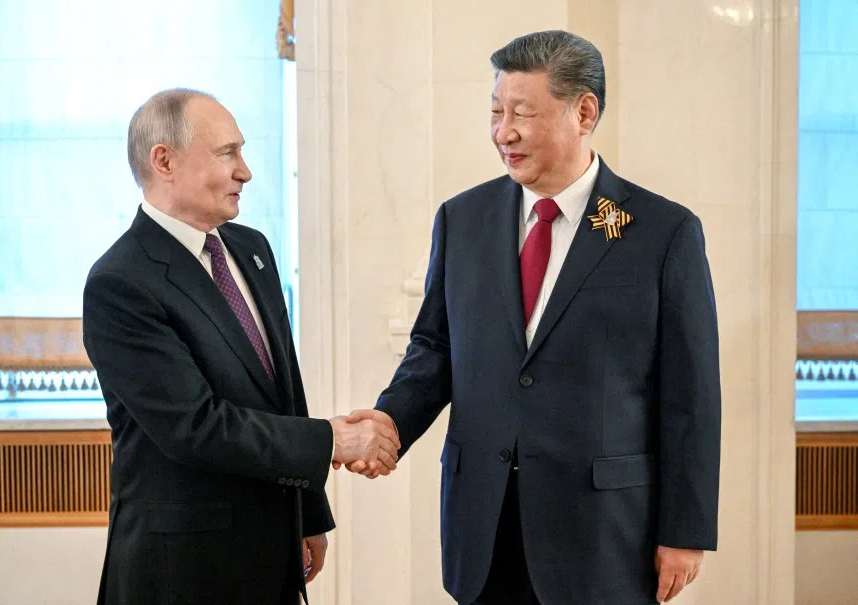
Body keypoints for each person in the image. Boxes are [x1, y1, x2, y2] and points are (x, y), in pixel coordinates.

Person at [346, 30, 721, 605]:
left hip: (604, 529)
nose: (504, 132)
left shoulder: (662, 232)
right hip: (484, 522)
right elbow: (436, 347)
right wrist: (392, 422)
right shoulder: (462, 219)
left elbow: (691, 396)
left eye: (522, 112)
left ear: (584, 112)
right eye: (496, 111)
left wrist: (685, 531)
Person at [83, 88, 400, 605]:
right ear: (164, 160)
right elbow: (195, 426)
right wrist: (334, 442)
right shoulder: (121, 281)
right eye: (227, 153)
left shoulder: (251, 249)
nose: (245, 171)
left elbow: (284, 392)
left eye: (242, 151)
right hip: (183, 570)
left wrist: (309, 515)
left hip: (271, 553)